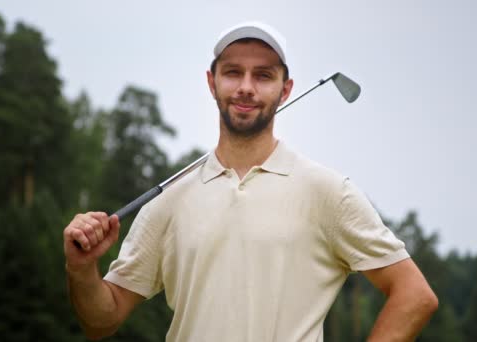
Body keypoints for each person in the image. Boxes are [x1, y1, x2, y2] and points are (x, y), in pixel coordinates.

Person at [63, 22, 438, 341]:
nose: (246, 87)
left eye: (263, 75)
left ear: (285, 89)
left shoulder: (326, 191)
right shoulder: (168, 202)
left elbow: (414, 295)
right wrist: (81, 270)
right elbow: (102, 320)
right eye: (233, 72)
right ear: (212, 83)